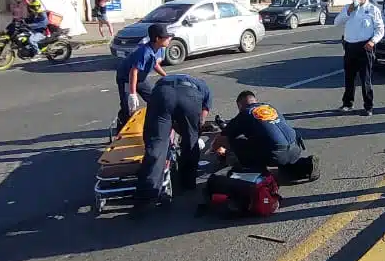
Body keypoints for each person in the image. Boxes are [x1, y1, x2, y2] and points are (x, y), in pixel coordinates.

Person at [137, 73, 212, 205]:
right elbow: (201, 119)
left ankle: (149, 190)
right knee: (191, 141)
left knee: (157, 142)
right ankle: (188, 182)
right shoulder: (205, 89)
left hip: (162, 92)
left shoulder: (166, 79)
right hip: (190, 96)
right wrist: (193, 132)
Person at [214, 91, 308, 173]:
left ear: (239, 105)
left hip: (275, 156)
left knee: (235, 140)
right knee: (272, 142)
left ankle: (252, 170)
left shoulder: (245, 113)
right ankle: (300, 166)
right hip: (295, 149)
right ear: (255, 100)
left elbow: (222, 138)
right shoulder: (269, 107)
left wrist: (216, 150)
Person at [334, 0, 384, 116]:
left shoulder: (372, 10)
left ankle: (368, 106)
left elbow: (380, 29)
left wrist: (373, 41)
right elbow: (337, 22)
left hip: (365, 47)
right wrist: (348, 11)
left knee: (365, 78)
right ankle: (347, 103)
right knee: (349, 78)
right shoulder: (348, 8)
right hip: (350, 46)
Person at [115, 22, 171, 127]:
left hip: (140, 78)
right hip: (126, 79)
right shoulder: (144, 52)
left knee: (154, 99)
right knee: (128, 106)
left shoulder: (157, 49)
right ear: (158, 39)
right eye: (166, 37)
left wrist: (166, 76)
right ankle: (122, 126)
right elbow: (133, 71)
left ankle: (151, 123)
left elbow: (154, 64)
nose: (169, 39)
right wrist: (132, 94)